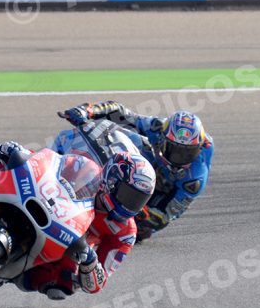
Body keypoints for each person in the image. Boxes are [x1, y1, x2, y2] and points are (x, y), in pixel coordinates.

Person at [0, 141, 155, 299]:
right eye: (129, 195)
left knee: (62, 286)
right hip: (46, 207)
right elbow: (51, 164)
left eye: (138, 200)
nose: (130, 205)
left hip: (63, 249)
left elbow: (96, 285)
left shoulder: (125, 232)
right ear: (112, 180)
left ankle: (7, 272)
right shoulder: (87, 170)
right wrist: (19, 153)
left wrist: (90, 261)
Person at [59, 102, 213, 240]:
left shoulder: (195, 179)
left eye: (189, 153)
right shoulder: (157, 128)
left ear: (199, 148)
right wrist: (88, 111)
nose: (181, 159)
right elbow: (121, 113)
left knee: (139, 230)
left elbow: (166, 216)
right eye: (176, 151)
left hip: (160, 196)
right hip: (152, 163)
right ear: (163, 140)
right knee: (134, 143)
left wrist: (142, 211)